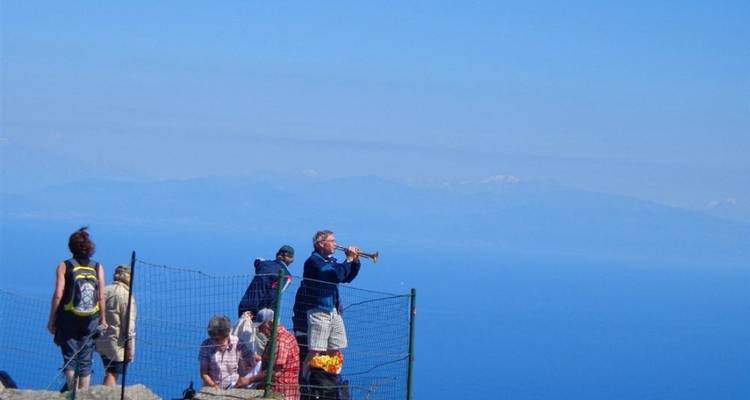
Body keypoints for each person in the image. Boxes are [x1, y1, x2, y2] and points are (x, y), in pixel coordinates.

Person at [292, 230, 361, 379]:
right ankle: (303, 380)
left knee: (336, 347)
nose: (336, 244)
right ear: (321, 244)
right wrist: (348, 260)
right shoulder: (313, 262)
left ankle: (329, 380)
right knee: (316, 349)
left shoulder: (330, 261)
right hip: (319, 310)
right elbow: (336, 275)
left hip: (334, 310)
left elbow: (346, 277)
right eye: (332, 241)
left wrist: (355, 262)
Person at [47, 226, 108, 392]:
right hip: (91, 317)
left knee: (70, 355)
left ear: (71, 247)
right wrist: (102, 319)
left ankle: (72, 393)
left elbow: (58, 294)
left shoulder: (64, 266)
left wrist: (52, 319)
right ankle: (83, 393)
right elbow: (101, 294)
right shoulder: (97, 267)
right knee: (86, 356)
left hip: (68, 316)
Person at [240, 309, 300, 400]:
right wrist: (260, 359)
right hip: (279, 391)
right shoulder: (277, 337)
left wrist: (248, 380)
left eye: (261, 327)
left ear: (270, 324)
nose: (259, 331)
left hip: (282, 393)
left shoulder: (280, 341)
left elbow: (274, 371)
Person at [95, 264, 137, 386]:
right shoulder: (126, 296)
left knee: (84, 367)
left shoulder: (104, 290)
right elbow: (129, 325)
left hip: (98, 337)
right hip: (116, 342)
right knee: (112, 372)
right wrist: (130, 349)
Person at [237, 245, 295, 319]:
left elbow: (257, 259)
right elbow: (275, 295)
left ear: (277, 255)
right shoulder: (287, 276)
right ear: (291, 260)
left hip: (244, 305)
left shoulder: (264, 264)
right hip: (259, 311)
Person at [199, 315, 254, 390]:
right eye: (214, 339)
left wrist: (242, 379)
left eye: (219, 339)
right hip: (212, 388)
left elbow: (250, 362)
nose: (216, 343)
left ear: (228, 334)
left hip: (234, 387)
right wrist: (213, 386)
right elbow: (203, 373)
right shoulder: (205, 345)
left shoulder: (238, 343)